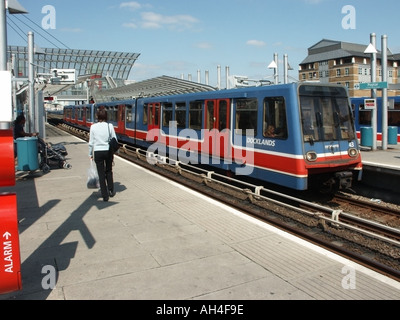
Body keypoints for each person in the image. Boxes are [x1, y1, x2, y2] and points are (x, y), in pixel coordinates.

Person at [88, 108, 117, 202]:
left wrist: (90, 154)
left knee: (101, 174)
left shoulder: (93, 127)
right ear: (106, 116)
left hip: (98, 152)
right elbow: (114, 139)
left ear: (97, 116)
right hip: (108, 151)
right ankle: (111, 190)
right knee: (108, 171)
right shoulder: (110, 126)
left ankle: (105, 196)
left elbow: (91, 142)